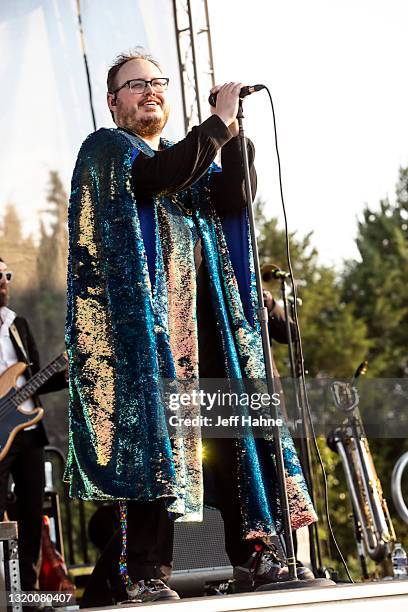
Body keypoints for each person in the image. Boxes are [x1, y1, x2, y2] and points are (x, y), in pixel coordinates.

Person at [66, 49, 317, 605]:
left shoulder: (188, 162)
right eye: (136, 85)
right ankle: (144, 574)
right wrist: (216, 126)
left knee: (235, 447)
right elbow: (157, 175)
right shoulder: (108, 149)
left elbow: (233, 196)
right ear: (113, 101)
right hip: (150, 341)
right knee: (156, 452)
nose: (150, 91)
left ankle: (256, 555)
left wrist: (236, 134)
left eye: (157, 82)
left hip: (209, 338)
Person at [0, 257, 67, 594]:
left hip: (29, 432)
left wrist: (68, 374)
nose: (3, 282)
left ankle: (28, 591)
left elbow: (36, 376)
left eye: (6, 275)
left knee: (30, 515)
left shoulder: (17, 324)